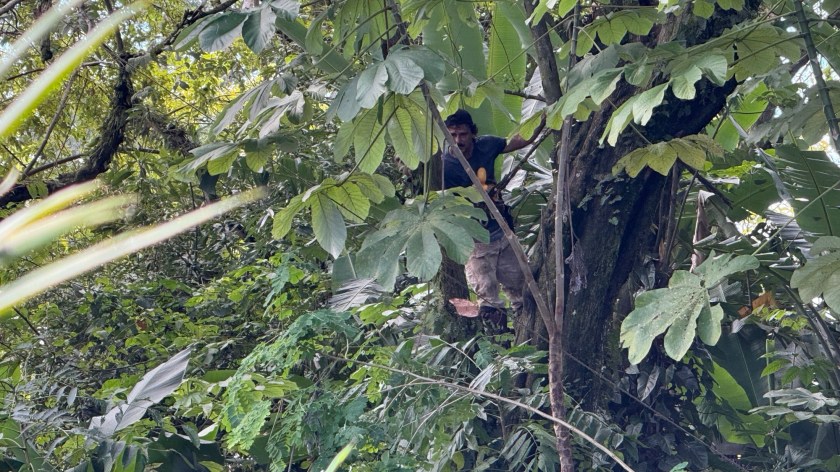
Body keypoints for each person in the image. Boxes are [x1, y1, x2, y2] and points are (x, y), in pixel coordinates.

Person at [441, 109, 544, 334]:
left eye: (463, 134)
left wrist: (543, 120)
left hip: (501, 231)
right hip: (474, 240)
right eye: (453, 135)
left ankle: (528, 336)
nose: (458, 140)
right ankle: (499, 344)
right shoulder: (444, 166)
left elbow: (516, 141)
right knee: (488, 301)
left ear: (472, 134)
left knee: (522, 290)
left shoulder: (486, 145)